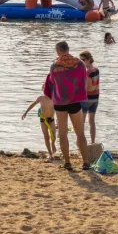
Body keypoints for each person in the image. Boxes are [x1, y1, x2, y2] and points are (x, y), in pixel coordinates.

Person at [42, 41, 90, 171]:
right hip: (75, 101)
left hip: (60, 103)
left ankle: (68, 162)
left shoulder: (54, 66)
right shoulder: (79, 64)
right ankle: (85, 162)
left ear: (58, 51)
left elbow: (51, 84)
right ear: (68, 49)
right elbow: (84, 80)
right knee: (80, 133)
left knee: (63, 133)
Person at [21, 95, 57, 161]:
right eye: (44, 89)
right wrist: (26, 112)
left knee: (54, 136)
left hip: (51, 120)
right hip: (43, 120)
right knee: (46, 137)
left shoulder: (54, 97)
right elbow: (33, 104)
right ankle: (50, 153)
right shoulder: (41, 98)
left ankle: (53, 144)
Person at [79, 51, 101, 145]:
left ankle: (82, 142)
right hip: (95, 99)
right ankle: (92, 142)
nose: (81, 62)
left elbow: (89, 87)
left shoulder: (87, 72)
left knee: (81, 122)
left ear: (88, 59)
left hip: (86, 99)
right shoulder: (96, 69)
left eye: (83, 60)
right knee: (92, 121)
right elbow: (95, 86)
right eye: (80, 60)